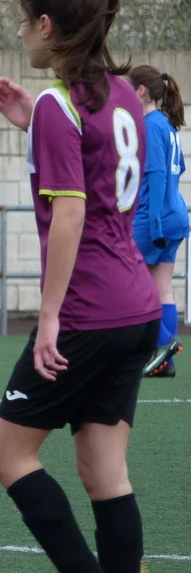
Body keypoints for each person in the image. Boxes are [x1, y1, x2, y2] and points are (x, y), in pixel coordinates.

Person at [0, 0, 160, 573]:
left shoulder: (59, 105)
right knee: (104, 471)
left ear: (45, 25)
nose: (18, 31)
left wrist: (50, 317)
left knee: (8, 456)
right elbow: (99, 163)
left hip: (89, 310)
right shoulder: (123, 94)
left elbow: (71, 215)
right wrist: (35, 123)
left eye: (22, 19)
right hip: (136, 307)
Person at [128, 65, 187, 378]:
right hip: (176, 215)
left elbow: (158, 175)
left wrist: (153, 225)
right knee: (161, 288)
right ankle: (164, 363)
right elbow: (179, 169)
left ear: (140, 91)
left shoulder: (150, 125)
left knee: (130, 287)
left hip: (156, 219)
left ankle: (164, 344)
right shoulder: (167, 124)